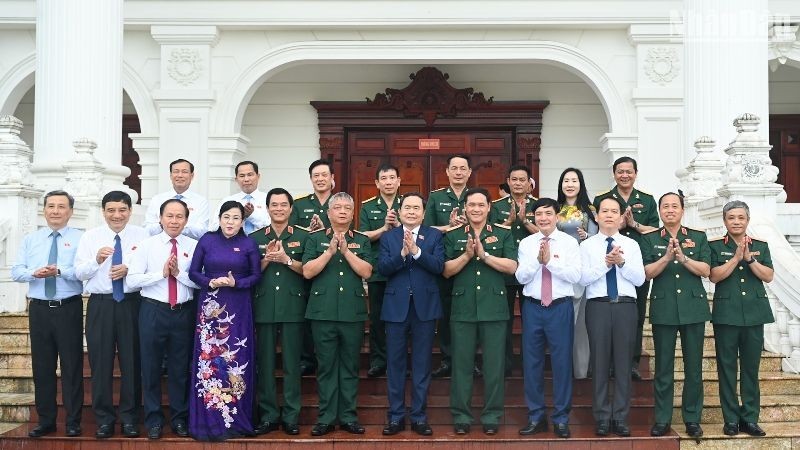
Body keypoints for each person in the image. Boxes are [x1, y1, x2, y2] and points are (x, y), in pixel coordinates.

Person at [74, 191, 149, 439]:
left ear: (130, 210)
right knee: (101, 364)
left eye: (122, 210)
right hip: (101, 305)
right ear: (103, 211)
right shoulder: (90, 237)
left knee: (132, 363)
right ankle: (104, 420)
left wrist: (131, 269)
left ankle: (130, 419)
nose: (117, 215)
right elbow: (79, 273)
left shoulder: (143, 235)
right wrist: (96, 260)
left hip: (132, 303)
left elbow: (149, 267)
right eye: (111, 210)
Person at [443, 187, 517, 436]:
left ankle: (492, 415)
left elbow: (512, 266)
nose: (476, 209)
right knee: (461, 365)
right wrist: (466, 256)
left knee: (494, 366)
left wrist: (484, 256)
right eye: (471, 205)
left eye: (480, 205)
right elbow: (446, 270)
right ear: (464, 207)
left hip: (494, 308)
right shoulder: (453, 235)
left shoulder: (503, 234)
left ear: (489, 208)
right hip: (463, 308)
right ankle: (461, 415)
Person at [11, 190, 84, 438]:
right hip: (40, 309)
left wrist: (60, 270)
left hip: (69, 307)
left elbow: (85, 271)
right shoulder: (31, 239)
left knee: (72, 366)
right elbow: (16, 271)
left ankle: (73, 420)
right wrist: (35, 273)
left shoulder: (81, 238)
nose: (55, 211)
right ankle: (46, 420)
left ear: (70, 211)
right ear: (44, 210)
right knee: (42, 367)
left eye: (61, 206)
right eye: (51, 206)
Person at [187, 201, 261, 440]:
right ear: (219, 219)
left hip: (239, 307)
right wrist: (209, 282)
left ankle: (236, 419)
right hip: (210, 308)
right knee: (210, 358)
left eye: (236, 218)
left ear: (242, 221)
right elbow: (193, 272)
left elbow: (256, 276)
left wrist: (235, 283)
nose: (230, 222)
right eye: (226, 217)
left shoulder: (248, 243)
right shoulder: (207, 240)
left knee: (236, 359)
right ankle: (209, 419)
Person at [128, 198, 200, 440]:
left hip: (183, 312)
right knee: (150, 368)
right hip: (153, 311)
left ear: (186, 220)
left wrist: (179, 275)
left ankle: (179, 419)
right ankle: (154, 420)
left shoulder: (194, 245)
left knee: (180, 369)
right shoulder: (146, 246)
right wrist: (161, 274)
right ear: (160, 218)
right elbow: (132, 280)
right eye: (169, 216)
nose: (174, 221)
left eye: (179, 216)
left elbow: (198, 281)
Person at [302, 192, 372, 436]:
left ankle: (348, 416)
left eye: (347, 208)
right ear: (329, 213)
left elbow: (367, 272)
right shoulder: (315, 239)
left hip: (352, 314)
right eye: (337, 207)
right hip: (322, 313)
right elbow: (308, 272)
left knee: (351, 367)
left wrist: (346, 251)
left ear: (352, 213)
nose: (342, 211)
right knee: (327, 367)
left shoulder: (361, 240)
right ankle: (326, 417)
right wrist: (330, 251)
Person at [642, 192, 710, 439]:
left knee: (693, 368)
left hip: (693, 308)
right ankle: (662, 419)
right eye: (665, 207)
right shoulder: (649, 239)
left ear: (682, 210)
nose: (670, 210)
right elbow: (647, 273)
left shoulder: (698, 237)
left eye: (674, 206)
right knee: (663, 368)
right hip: (664, 308)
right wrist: (667, 258)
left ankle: (692, 418)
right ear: (660, 211)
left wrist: (683, 258)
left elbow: (706, 270)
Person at [378, 193, 444, 437]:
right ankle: (395, 417)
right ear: (400, 210)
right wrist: (402, 255)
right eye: (407, 207)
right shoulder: (389, 237)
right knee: (395, 364)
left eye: (417, 208)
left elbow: (439, 267)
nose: (412, 211)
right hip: (396, 308)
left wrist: (416, 251)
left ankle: (418, 417)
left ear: (424, 213)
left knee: (421, 364)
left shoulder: (435, 235)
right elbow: (382, 268)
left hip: (424, 308)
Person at [579, 196, 645, 437]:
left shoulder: (632, 245)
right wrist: (606, 264)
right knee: (599, 362)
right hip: (598, 306)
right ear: (596, 216)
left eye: (614, 211)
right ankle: (602, 417)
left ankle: (620, 417)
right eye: (604, 211)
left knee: (623, 363)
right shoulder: (586, 246)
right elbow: (583, 279)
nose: (608, 215)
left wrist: (622, 262)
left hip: (625, 306)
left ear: (621, 216)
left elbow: (639, 279)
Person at [515, 198, 581, 439]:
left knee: (562, 363)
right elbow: (521, 277)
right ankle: (536, 416)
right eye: (538, 214)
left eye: (548, 213)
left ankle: (561, 418)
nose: (543, 218)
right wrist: (537, 261)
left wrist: (550, 263)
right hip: (533, 308)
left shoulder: (569, 243)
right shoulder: (526, 243)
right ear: (533, 217)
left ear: (557, 216)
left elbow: (575, 275)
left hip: (559, 307)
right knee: (532, 364)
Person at [709, 201, 774, 437]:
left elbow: (768, 276)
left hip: (754, 315)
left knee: (750, 369)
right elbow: (714, 276)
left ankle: (750, 418)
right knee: (727, 369)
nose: (736, 222)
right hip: (727, 316)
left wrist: (750, 259)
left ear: (747, 220)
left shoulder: (761, 246)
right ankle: (731, 420)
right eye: (731, 218)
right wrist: (736, 258)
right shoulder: (715, 246)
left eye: (741, 217)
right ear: (725, 221)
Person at [250, 188, 310, 436]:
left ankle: (291, 415)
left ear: (290, 208)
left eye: (283, 205)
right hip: (263, 306)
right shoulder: (254, 238)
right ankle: (268, 415)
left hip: (292, 306)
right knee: (264, 364)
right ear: (267, 208)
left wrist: (285, 258)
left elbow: (308, 270)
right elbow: (250, 275)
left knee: (291, 365)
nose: (279, 209)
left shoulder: (304, 236)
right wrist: (266, 259)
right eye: (274, 205)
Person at [593, 157, 658, 380]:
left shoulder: (647, 200)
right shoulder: (602, 199)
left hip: (635, 261)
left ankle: (631, 363)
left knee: (636, 314)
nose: (624, 175)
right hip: (607, 261)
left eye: (628, 172)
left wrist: (633, 225)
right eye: (620, 171)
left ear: (635, 173)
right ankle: (608, 363)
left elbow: (655, 231)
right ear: (614, 174)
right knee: (606, 315)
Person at [424, 154, 473, 378]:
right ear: (447, 172)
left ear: (469, 172)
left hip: (470, 259)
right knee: (445, 314)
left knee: (470, 313)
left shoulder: (476, 197)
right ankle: (447, 359)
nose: (459, 172)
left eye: (463, 168)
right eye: (454, 168)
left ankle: (468, 360)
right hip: (444, 260)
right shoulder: (435, 197)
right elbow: (426, 230)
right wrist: (449, 226)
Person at [490, 164, 538, 376]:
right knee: (505, 319)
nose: (518, 183)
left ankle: (530, 364)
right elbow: (489, 235)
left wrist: (525, 221)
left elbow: (545, 233)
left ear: (529, 184)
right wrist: (508, 222)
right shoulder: (495, 206)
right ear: (508, 182)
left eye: (522, 180)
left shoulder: (539, 206)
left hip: (532, 270)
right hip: (504, 270)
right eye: (514, 180)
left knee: (531, 320)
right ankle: (506, 365)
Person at [290, 158, 336, 376]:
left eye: (324, 175)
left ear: (332, 178)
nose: (320, 179)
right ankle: (308, 358)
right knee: (307, 314)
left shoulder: (339, 202)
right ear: (311, 179)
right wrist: (309, 230)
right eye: (316, 175)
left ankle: (327, 358)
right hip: (308, 265)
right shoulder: (300, 204)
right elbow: (293, 234)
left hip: (334, 266)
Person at [358, 163, 403, 378]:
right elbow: (362, 236)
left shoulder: (408, 204)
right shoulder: (368, 207)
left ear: (399, 181)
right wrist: (384, 229)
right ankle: (378, 359)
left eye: (392, 177)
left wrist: (399, 227)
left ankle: (401, 360)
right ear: (377, 183)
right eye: (384, 178)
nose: (388, 182)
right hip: (378, 271)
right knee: (377, 318)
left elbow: (420, 231)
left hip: (403, 271)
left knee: (402, 318)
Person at [556, 167, 598, 379]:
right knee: (563, 323)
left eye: (574, 180)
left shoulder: (590, 210)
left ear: (580, 184)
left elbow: (598, 238)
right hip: (561, 269)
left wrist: (587, 236)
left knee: (581, 324)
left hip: (583, 268)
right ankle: (562, 369)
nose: (570, 184)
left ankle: (581, 370)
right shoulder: (555, 209)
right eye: (566, 180)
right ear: (561, 185)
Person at [143, 158, 210, 240]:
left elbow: (202, 231)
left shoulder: (201, 201)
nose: (180, 175)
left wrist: (178, 227)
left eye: (184, 172)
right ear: (171, 175)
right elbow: (147, 230)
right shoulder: (157, 199)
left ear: (191, 176)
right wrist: (162, 225)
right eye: (176, 171)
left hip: (189, 248)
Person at [209, 161, 270, 233]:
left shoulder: (269, 199)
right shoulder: (227, 200)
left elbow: (274, 226)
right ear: (236, 179)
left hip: (263, 243)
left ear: (258, 176)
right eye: (242, 176)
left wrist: (251, 216)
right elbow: (213, 227)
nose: (246, 179)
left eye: (250, 175)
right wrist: (237, 219)